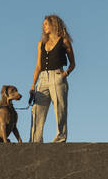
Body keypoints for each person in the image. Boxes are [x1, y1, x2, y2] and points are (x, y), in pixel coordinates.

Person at [30, 14, 75, 143]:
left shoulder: (64, 41)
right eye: (43, 24)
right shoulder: (41, 43)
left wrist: (66, 74)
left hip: (57, 77)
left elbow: (73, 64)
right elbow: (38, 66)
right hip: (42, 78)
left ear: (54, 24)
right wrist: (33, 85)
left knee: (60, 109)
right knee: (37, 111)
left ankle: (60, 138)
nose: (43, 27)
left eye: (46, 24)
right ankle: (35, 141)